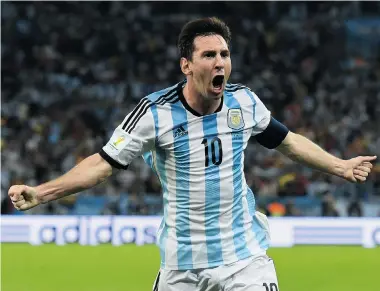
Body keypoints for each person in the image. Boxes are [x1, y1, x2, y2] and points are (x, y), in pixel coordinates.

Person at [8, 17, 376, 291]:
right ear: (186, 65)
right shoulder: (153, 114)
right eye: (209, 55)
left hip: (243, 260)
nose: (220, 63)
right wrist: (42, 193)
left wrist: (340, 166)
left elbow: (289, 141)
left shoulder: (244, 102)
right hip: (181, 268)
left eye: (225, 54)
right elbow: (102, 165)